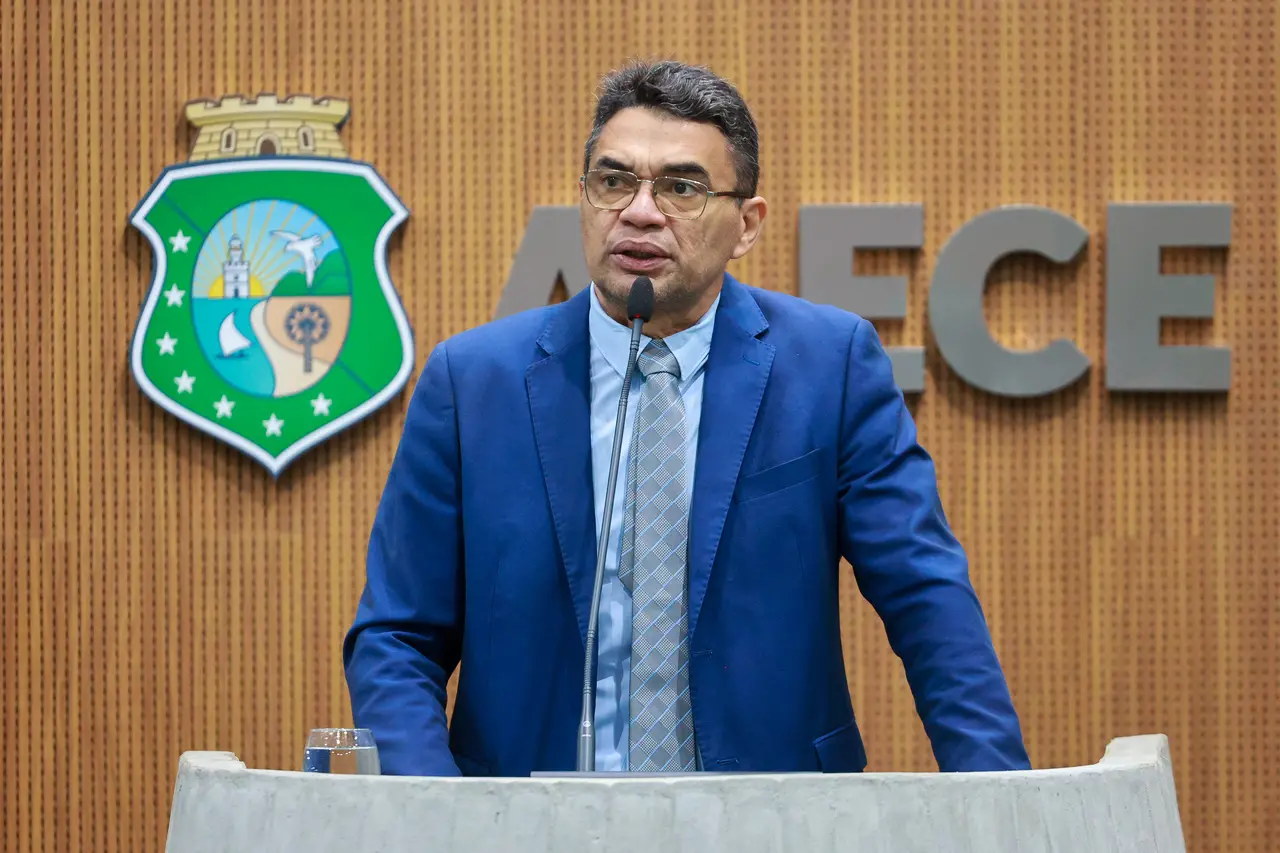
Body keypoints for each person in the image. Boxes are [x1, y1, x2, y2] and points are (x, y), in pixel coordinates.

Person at [343, 59, 1030, 777]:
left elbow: (926, 596)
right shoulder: (474, 381)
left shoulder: (830, 366)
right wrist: (431, 815)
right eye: (614, 182)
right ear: (583, 199)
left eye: (681, 187)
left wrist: (1004, 803)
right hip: (527, 821)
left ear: (746, 224)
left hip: (773, 819)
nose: (640, 211)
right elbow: (397, 633)